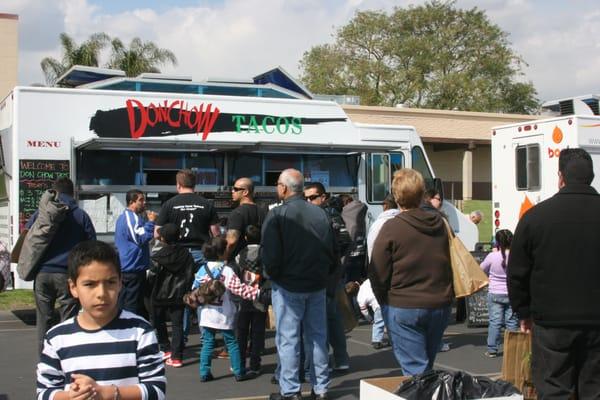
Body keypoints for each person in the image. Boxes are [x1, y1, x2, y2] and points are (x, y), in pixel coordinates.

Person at [508, 148, 600, 398]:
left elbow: (517, 272)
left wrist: (523, 311)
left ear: (561, 177)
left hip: (551, 323)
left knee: (554, 390)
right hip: (596, 323)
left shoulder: (536, 217)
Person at [36, 240, 166, 400]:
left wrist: (108, 393)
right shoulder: (57, 338)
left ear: (120, 283)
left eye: (110, 282)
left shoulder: (140, 331)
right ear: (73, 287)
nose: (101, 293)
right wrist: (72, 396)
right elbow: (44, 393)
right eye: (90, 284)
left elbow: (157, 390)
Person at [369, 168, 453, 376]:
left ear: (396, 196)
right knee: (425, 367)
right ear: (423, 194)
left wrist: (384, 300)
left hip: (404, 303)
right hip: (439, 303)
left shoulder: (392, 227)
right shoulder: (441, 224)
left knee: (416, 370)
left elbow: (377, 271)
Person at [263, 169, 336, 400]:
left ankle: (291, 391)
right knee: (317, 338)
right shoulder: (320, 214)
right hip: (316, 283)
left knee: (288, 339)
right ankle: (321, 388)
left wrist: (271, 276)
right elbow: (332, 250)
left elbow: (271, 256)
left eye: (277, 184)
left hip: (288, 286)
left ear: (284, 188)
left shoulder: (277, 215)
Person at [26, 177, 96, 352]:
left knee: (44, 318)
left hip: (42, 273)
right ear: (72, 193)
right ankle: (65, 354)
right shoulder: (80, 215)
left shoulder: (43, 212)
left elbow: (27, 234)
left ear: (55, 192)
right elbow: (91, 244)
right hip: (67, 274)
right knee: (68, 318)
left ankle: (45, 356)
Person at [155, 169, 220, 341]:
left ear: (178, 184)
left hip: (179, 255)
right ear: (194, 184)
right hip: (201, 253)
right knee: (203, 292)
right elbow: (215, 233)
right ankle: (205, 335)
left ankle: (181, 336)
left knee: (181, 294)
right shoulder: (206, 204)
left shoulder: (169, 204)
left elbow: (157, 232)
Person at [194, 237, 260, 382]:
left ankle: (204, 373)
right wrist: (258, 293)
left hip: (206, 313)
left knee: (207, 343)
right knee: (231, 342)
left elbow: (195, 289)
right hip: (223, 313)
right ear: (222, 253)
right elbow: (239, 290)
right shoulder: (227, 270)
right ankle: (239, 372)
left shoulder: (201, 270)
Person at [304, 182, 350, 372]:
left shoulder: (330, 215)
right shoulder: (309, 215)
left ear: (323, 197)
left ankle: (334, 360)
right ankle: (336, 359)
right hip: (321, 274)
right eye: (305, 198)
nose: (309, 201)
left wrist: (332, 260)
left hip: (329, 275)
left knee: (326, 319)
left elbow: (345, 241)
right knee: (329, 319)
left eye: (313, 197)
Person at [150, 223, 196, 368]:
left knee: (158, 321)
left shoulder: (158, 255)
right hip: (179, 294)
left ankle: (165, 347)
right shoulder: (186, 255)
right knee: (177, 325)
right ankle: (177, 356)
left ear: (163, 238)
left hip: (159, 293)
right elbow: (190, 274)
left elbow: (152, 274)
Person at [114, 189, 157, 316]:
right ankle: (129, 327)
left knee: (130, 302)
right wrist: (151, 222)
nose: (144, 203)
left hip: (132, 266)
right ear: (132, 202)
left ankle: (127, 325)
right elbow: (140, 237)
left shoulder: (132, 218)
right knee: (131, 303)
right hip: (132, 267)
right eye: (141, 200)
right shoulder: (130, 217)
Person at [235, 225, 268, 377]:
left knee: (241, 332)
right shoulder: (264, 253)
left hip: (243, 297)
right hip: (260, 297)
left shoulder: (240, 254)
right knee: (257, 332)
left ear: (246, 238)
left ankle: (240, 364)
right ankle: (255, 364)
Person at [480, 229, 518, 357]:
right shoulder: (515, 255)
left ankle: (492, 349)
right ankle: (512, 350)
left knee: (495, 322)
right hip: (511, 292)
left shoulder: (492, 256)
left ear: (497, 242)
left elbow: (481, 269)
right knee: (512, 322)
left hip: (495, 292)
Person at [224, 177, 266, 262]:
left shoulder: (237, 213)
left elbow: (231, 241)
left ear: (245, 192)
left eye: (236, 189)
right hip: (260, 262)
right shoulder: (263, 212)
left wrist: (224, 258)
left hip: (240, 263)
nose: (232, 191)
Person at [347, 279, 388, 349]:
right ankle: (380, 339)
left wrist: (371, 320)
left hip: (377, 306)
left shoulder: (360, 298)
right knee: (388, 320)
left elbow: (364, 312)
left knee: (378, 322)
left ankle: (376, 340)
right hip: (384, 299)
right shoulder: (366, 283)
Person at [339, 194, 368, 283]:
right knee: (356, 286)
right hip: (360, 257)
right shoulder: (360, 212)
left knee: (345, 288)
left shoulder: (346, 214)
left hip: (348, 258)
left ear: (347, 203)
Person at [366, 194, 400, 261]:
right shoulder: (403, 221)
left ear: (385, 205)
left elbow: (371, 248)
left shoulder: (377, 224)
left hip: (381, 265)